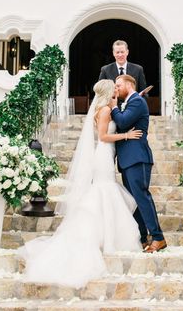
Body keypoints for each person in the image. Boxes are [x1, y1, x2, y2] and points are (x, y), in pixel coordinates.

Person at [19, 80, 142, 288]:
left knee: (106, 191)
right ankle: (107, 238)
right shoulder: (103, 111)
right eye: (113, 88)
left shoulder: (107, 108)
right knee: (105, 190)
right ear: (106, 91)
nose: (116, 90)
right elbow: (103, 137)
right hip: (103, 156)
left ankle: (108, 236)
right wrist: (126, 135)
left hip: (106, 155)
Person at [111, 74, 166, 252]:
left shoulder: (137, 102)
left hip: (138, 158)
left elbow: (123, 121)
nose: (116, 89)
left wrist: (113, 107)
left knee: (142, 197)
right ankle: (142, 238)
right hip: (127, 159)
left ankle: (158, 237)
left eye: (118, 85)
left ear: (129, 84)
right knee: (133, 201)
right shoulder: (127, 103)